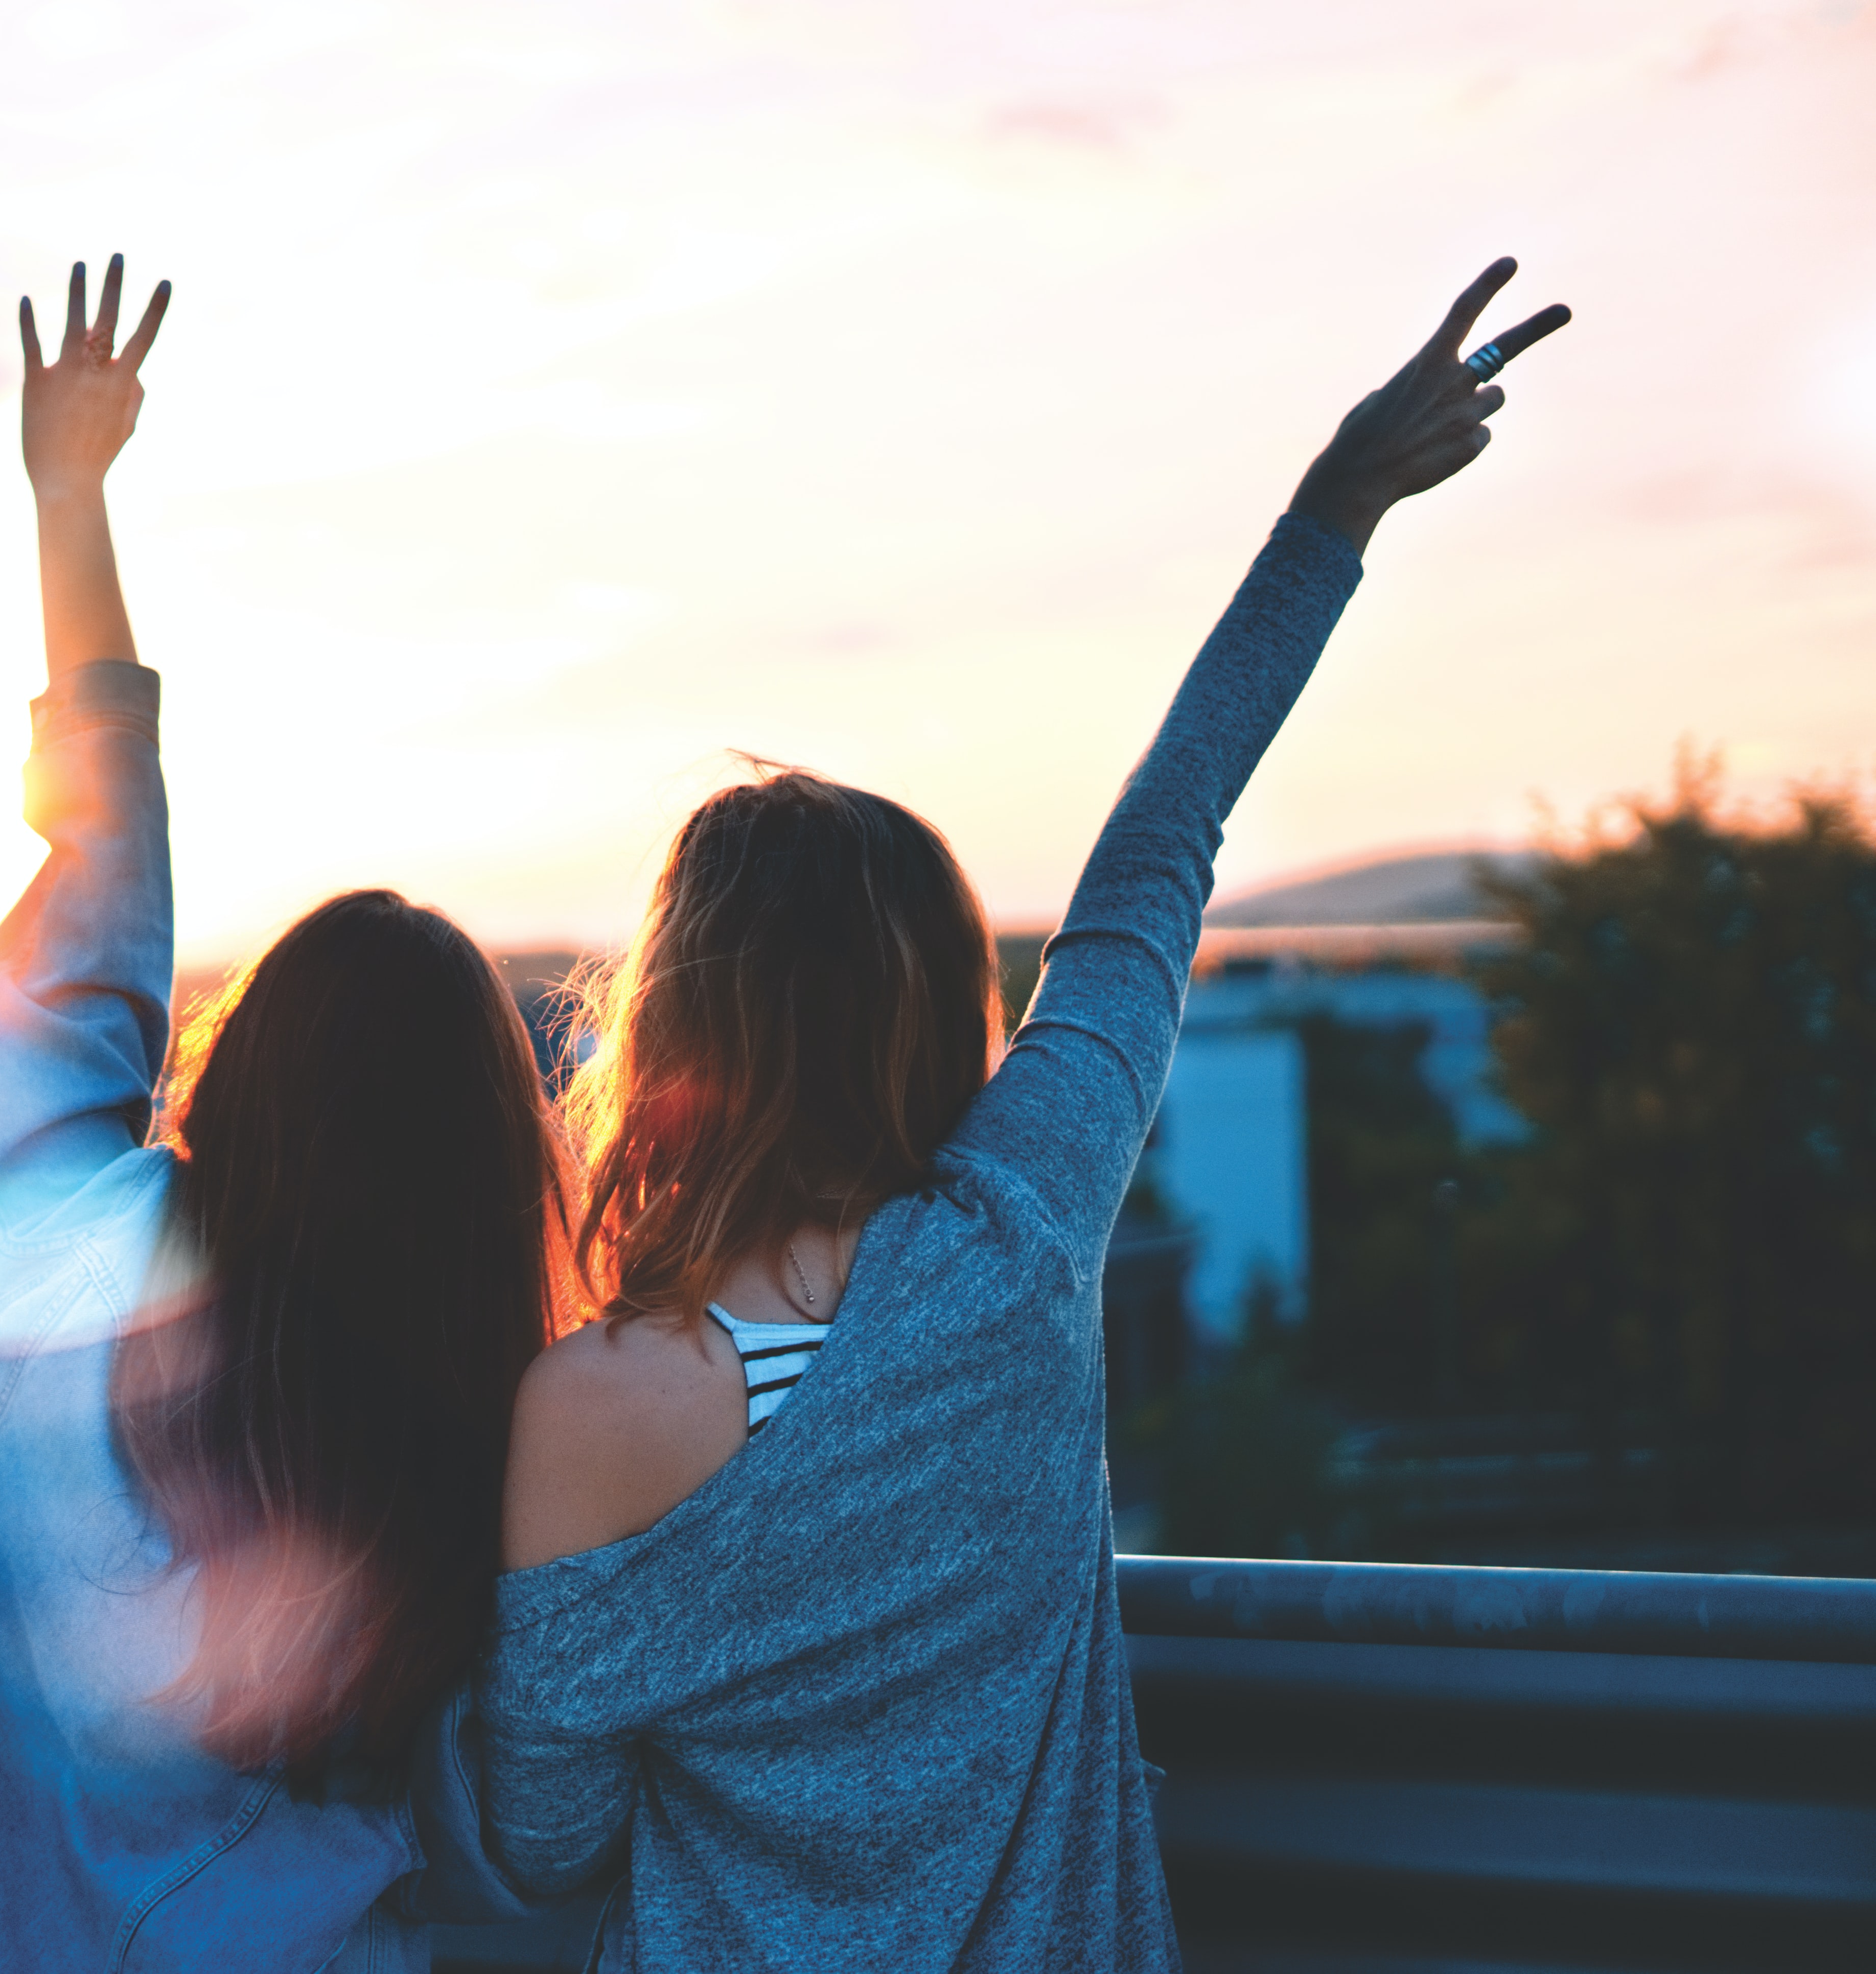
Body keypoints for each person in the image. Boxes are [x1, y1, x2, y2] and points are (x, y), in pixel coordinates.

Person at [479, 262, 1572, 1969]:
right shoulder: (1018, 1233)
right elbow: (1161, 851)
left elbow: (548, 1849)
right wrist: (1335, 507)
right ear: (931, 1010)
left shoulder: (586, 1405)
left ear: (677, 1021)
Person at [0, 259, 576, 1970]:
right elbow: (517, 1841)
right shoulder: (481, 1418)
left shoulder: (71, 1255)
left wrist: (67, 496)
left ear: (247, 1070)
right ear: (482, 1159)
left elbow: (98, 895)